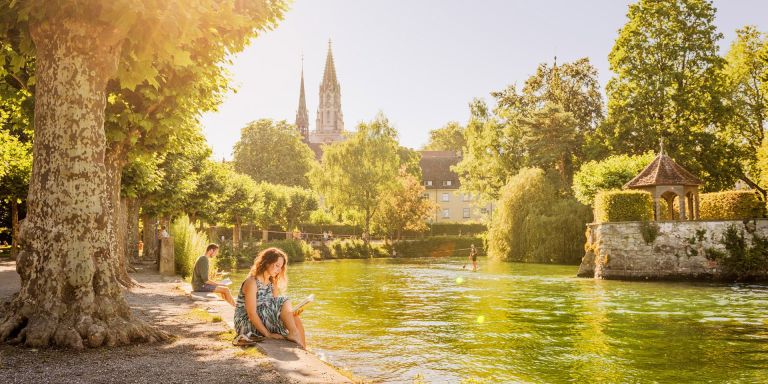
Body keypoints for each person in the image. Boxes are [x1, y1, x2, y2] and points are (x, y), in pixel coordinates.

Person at [234, 247, 306, 349]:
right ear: (267, 262)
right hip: (246, 323)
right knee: (284, 299)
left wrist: (290, 313)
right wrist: (268, 334)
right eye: (277, 265)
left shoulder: (272, 283)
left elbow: (275, 307)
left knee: (295, 318)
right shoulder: (252, 282)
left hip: (263, 317)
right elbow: (251, 314)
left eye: (281, 267)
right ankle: (293, 334)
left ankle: (303, 348)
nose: (279, 270)